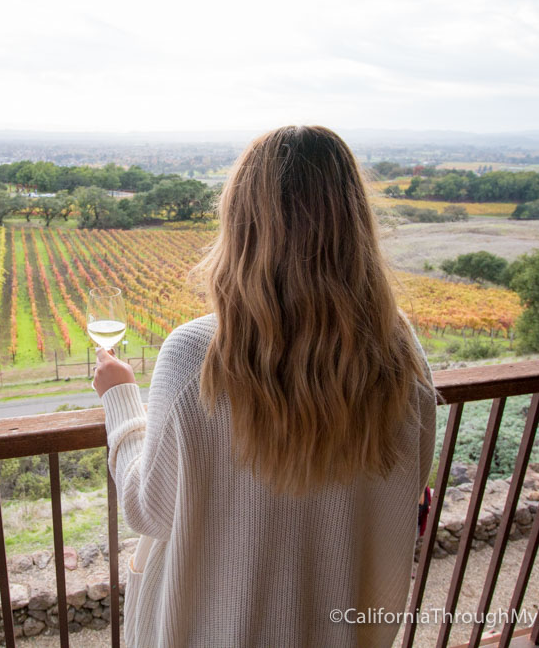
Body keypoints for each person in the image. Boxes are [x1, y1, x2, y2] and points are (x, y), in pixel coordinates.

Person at [93, 125, 437, 647]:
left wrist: (119, 398)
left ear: (240, 224)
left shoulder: (196, 355)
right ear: (355, 224)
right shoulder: (398, 351)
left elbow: (148, 509)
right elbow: (410, 480)